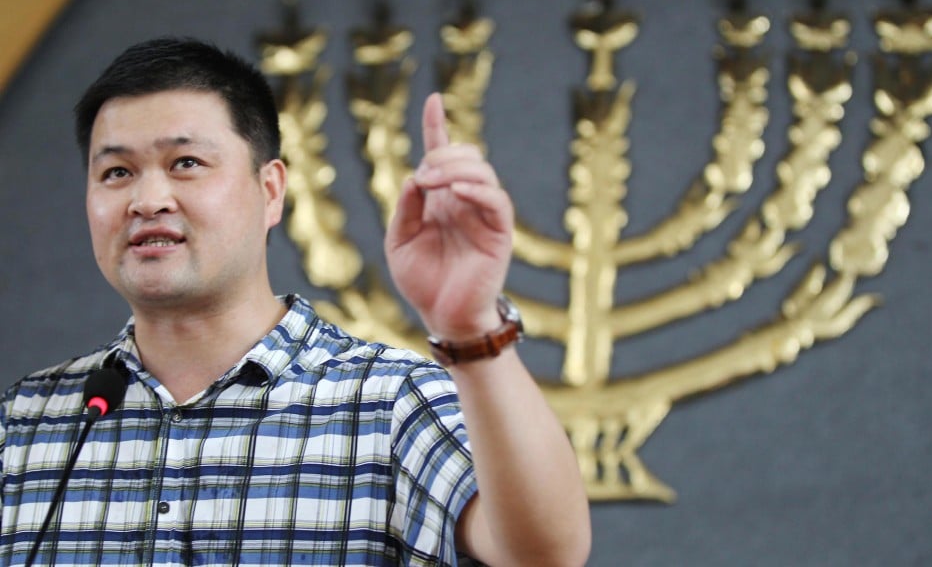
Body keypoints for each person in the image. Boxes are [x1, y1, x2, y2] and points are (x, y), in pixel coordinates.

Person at [0, 38, 591, 566]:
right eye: (116, 172)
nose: (147, 198)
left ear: (271, 190)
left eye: (186, 164)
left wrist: (470, 325)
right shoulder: (22, 427)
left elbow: (545, 553)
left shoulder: (392, 404)